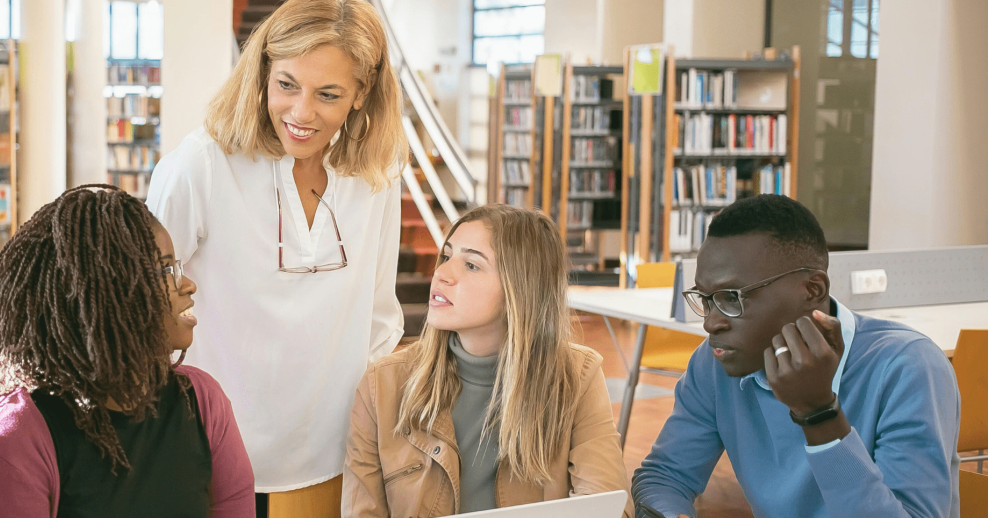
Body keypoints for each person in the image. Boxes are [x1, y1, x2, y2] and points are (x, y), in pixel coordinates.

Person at [145, 0, 407, 508]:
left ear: (361, 94)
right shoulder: (200, 165)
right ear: (263, 73)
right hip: (207, 454)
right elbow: (146, 311)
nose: (302, 112)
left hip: (335, 455)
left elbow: (378, 315)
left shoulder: (378, 175)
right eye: (287, 85)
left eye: (328, 94)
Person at [632, 195, 960, 518]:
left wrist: (818, 413)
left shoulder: (907, 367)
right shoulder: (714, 362)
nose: (710, 322)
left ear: (812, 290)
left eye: (731, 298)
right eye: (705, 299)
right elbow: (666, 476)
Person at [0, 186, 254, 518]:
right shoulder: (9, 442)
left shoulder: (202, 401)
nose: (187, 284)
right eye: (164, 270)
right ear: (102, 296)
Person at [343, 204, 633, 517]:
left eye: (471, 265)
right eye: (447, 256)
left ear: (520, 288)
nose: (441, 273)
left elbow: (606, 504)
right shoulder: (381, 385)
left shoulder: (577, 376)